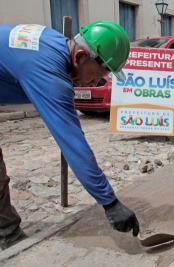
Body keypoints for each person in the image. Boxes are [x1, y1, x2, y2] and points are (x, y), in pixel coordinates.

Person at [0, 21, 139, 249]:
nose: (100, 80)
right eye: (102, 72)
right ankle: (9, 236)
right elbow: (74, 146)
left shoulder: (54, 41)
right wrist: (110, 203)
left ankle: (7, 232)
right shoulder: (50, 74)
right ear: (81, 56)